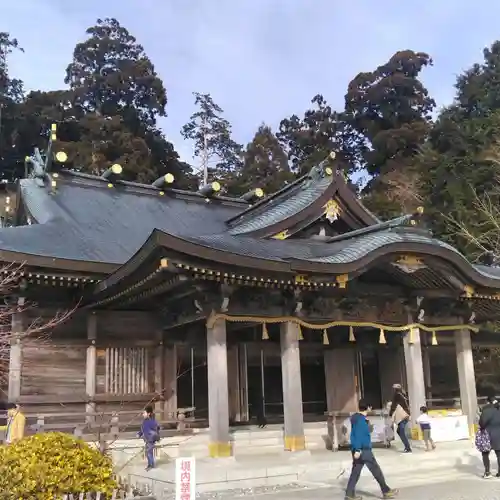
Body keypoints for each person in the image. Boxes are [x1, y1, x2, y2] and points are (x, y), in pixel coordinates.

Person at [345, 399, 399, 500]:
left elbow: (356, 434)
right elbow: (358, 435)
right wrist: (357, 449)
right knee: (376, 470)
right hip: (363, 450)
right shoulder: (360, 420)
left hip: (359, 449)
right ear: (368, 407)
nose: (371, 409)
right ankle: (386, 491)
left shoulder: (357, 418)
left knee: (356, 472)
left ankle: (349, 494)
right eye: (371, 407)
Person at [478, 391, 500, 479]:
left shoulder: (486, 410)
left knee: (485, 453)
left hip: (487, 435)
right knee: (499, 454)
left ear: (488, 401)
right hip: (498, 435)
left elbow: (482, 423)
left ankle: (487, 472)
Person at [389, 383, 412, 453]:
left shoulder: (397, 395)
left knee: (401, 431)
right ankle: (407, 447)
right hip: (405, 415)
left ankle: (408, 448)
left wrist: (390, 413)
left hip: (402, 416)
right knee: (399, 431)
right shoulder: (403, 394)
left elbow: (393, 405)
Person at [137, 406, 160, 471]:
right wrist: (139, 434)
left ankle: (151, 465)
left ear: (149, 413)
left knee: (149, 452)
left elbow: (157, 429)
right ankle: (150, 464)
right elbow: (142, 430)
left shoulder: (152, 421)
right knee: (148, 452)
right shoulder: (144, 421)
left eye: (144, 413)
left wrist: (154, 436)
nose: (143, 414)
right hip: (147, 439)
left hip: (151, 439)